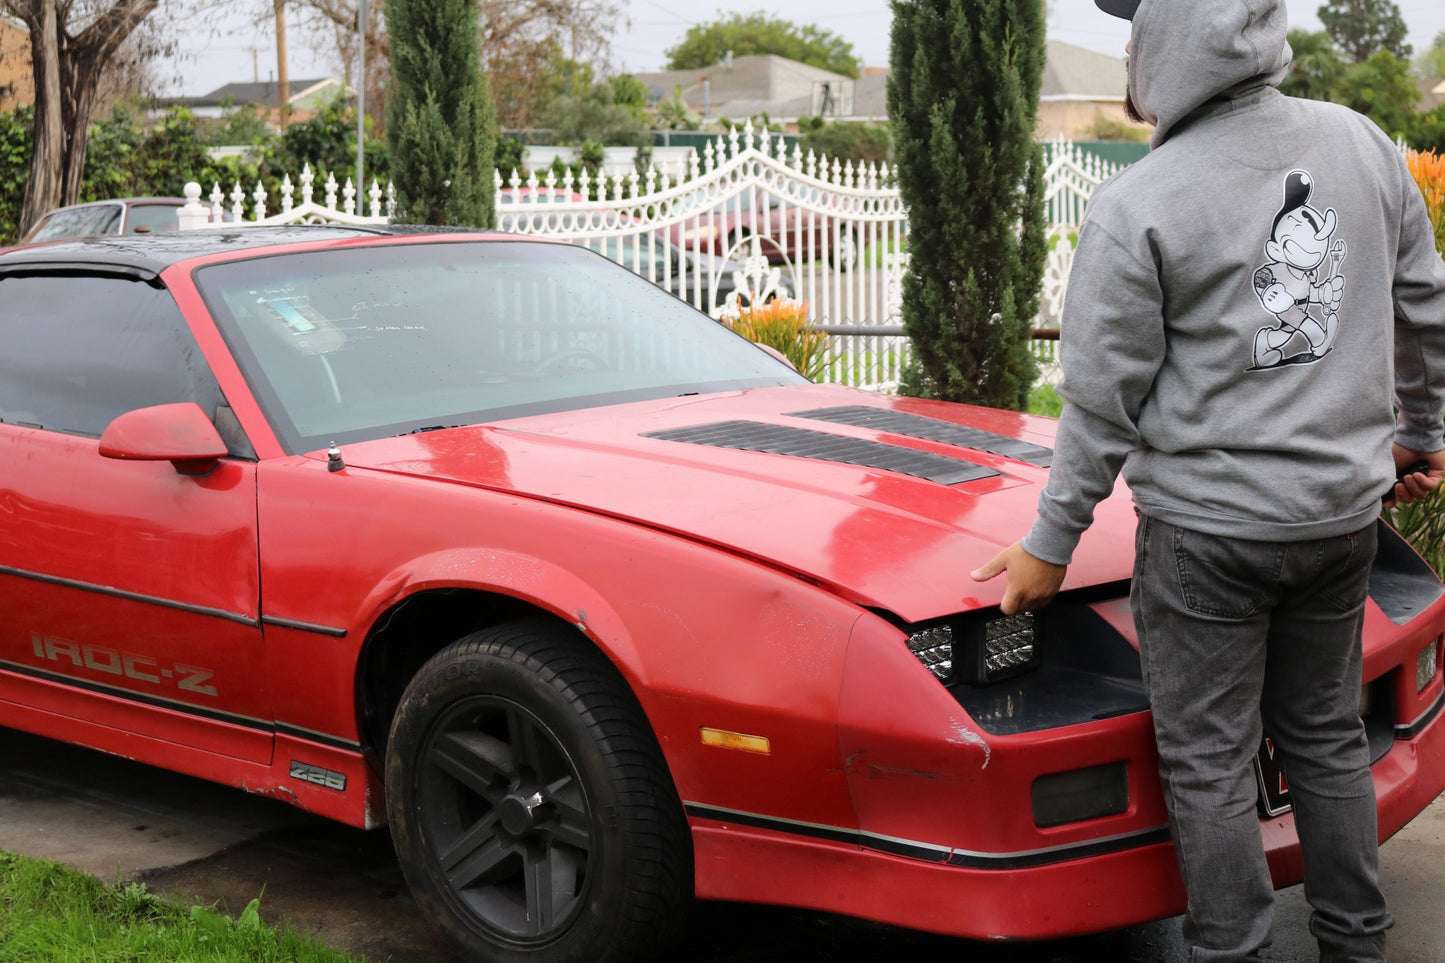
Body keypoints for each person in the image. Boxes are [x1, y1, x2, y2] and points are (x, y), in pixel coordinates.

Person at [970, 0, 1445, 960]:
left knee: (1210, 763)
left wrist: (1047, 547)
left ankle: (1232, 952)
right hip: (1336, 524)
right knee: (1322, 737)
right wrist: (1420, 435)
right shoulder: (1360, 143)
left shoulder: (1140, 201)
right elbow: (1426, 310)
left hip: (1207, 541)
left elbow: (1102, 405)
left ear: (1170, 40)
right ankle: (1358, 943)